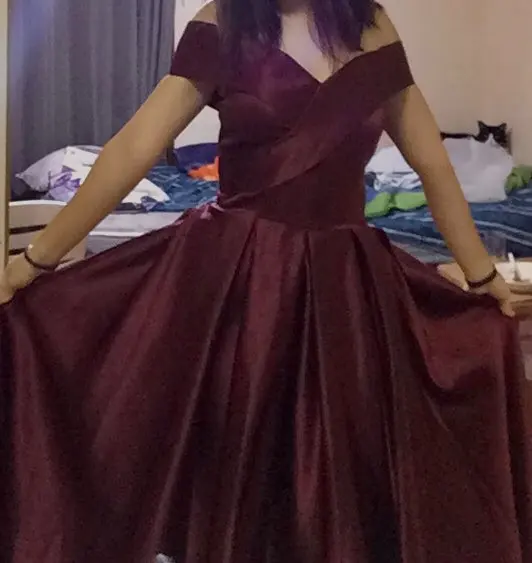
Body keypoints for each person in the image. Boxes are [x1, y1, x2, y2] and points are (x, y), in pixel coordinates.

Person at [0, 0, 530, 561]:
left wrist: (481, 276)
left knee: (343, 463)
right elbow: (135, 148)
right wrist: (34, 261)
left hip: (345, 290)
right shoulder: (222, 22)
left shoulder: (371, 25)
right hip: (237, 282)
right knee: (233, 461)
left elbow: (433, 164)